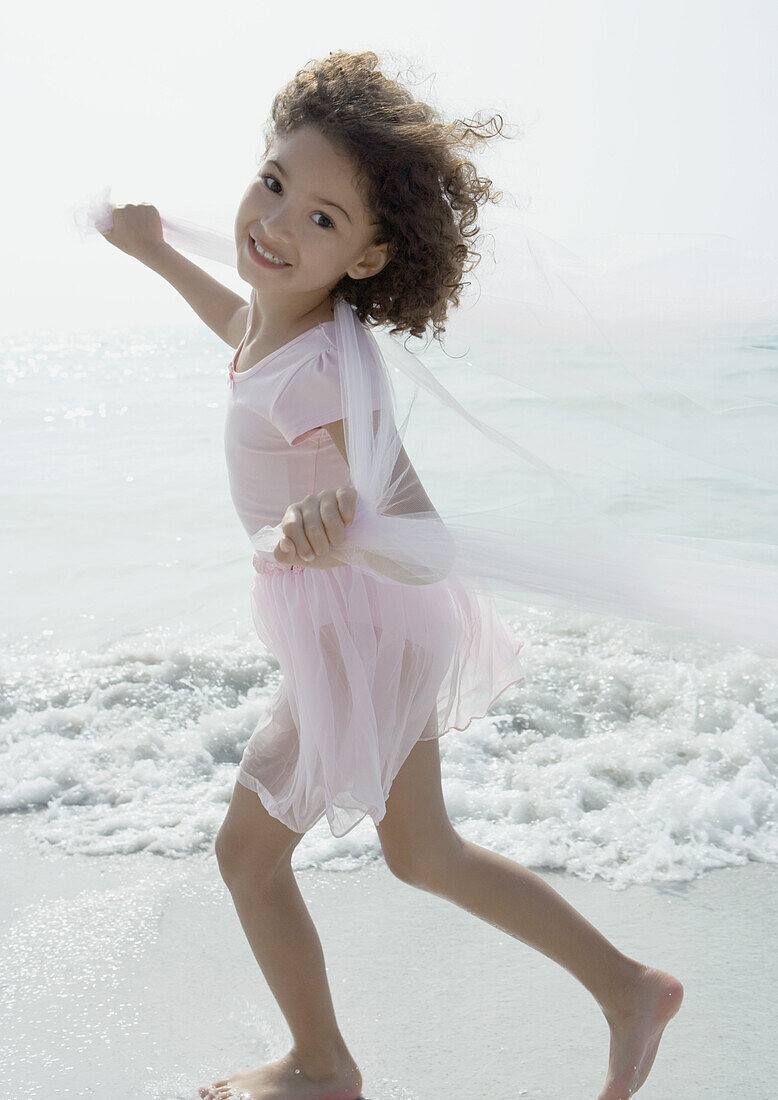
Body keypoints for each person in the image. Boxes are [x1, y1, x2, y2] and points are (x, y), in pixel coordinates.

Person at [97, 49, 682, 1100]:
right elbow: (237, 330)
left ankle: (324, 1064)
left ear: (367, 259)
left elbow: (427, 537)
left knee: (249, 854)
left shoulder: (325, 371)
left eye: (322, 219)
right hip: (366, 623)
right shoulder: (288, 319)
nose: (275, 224)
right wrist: (149, 251)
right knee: (422, 850)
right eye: (274, 182)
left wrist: (349, 524)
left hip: (363, 624)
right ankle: (627, 986)